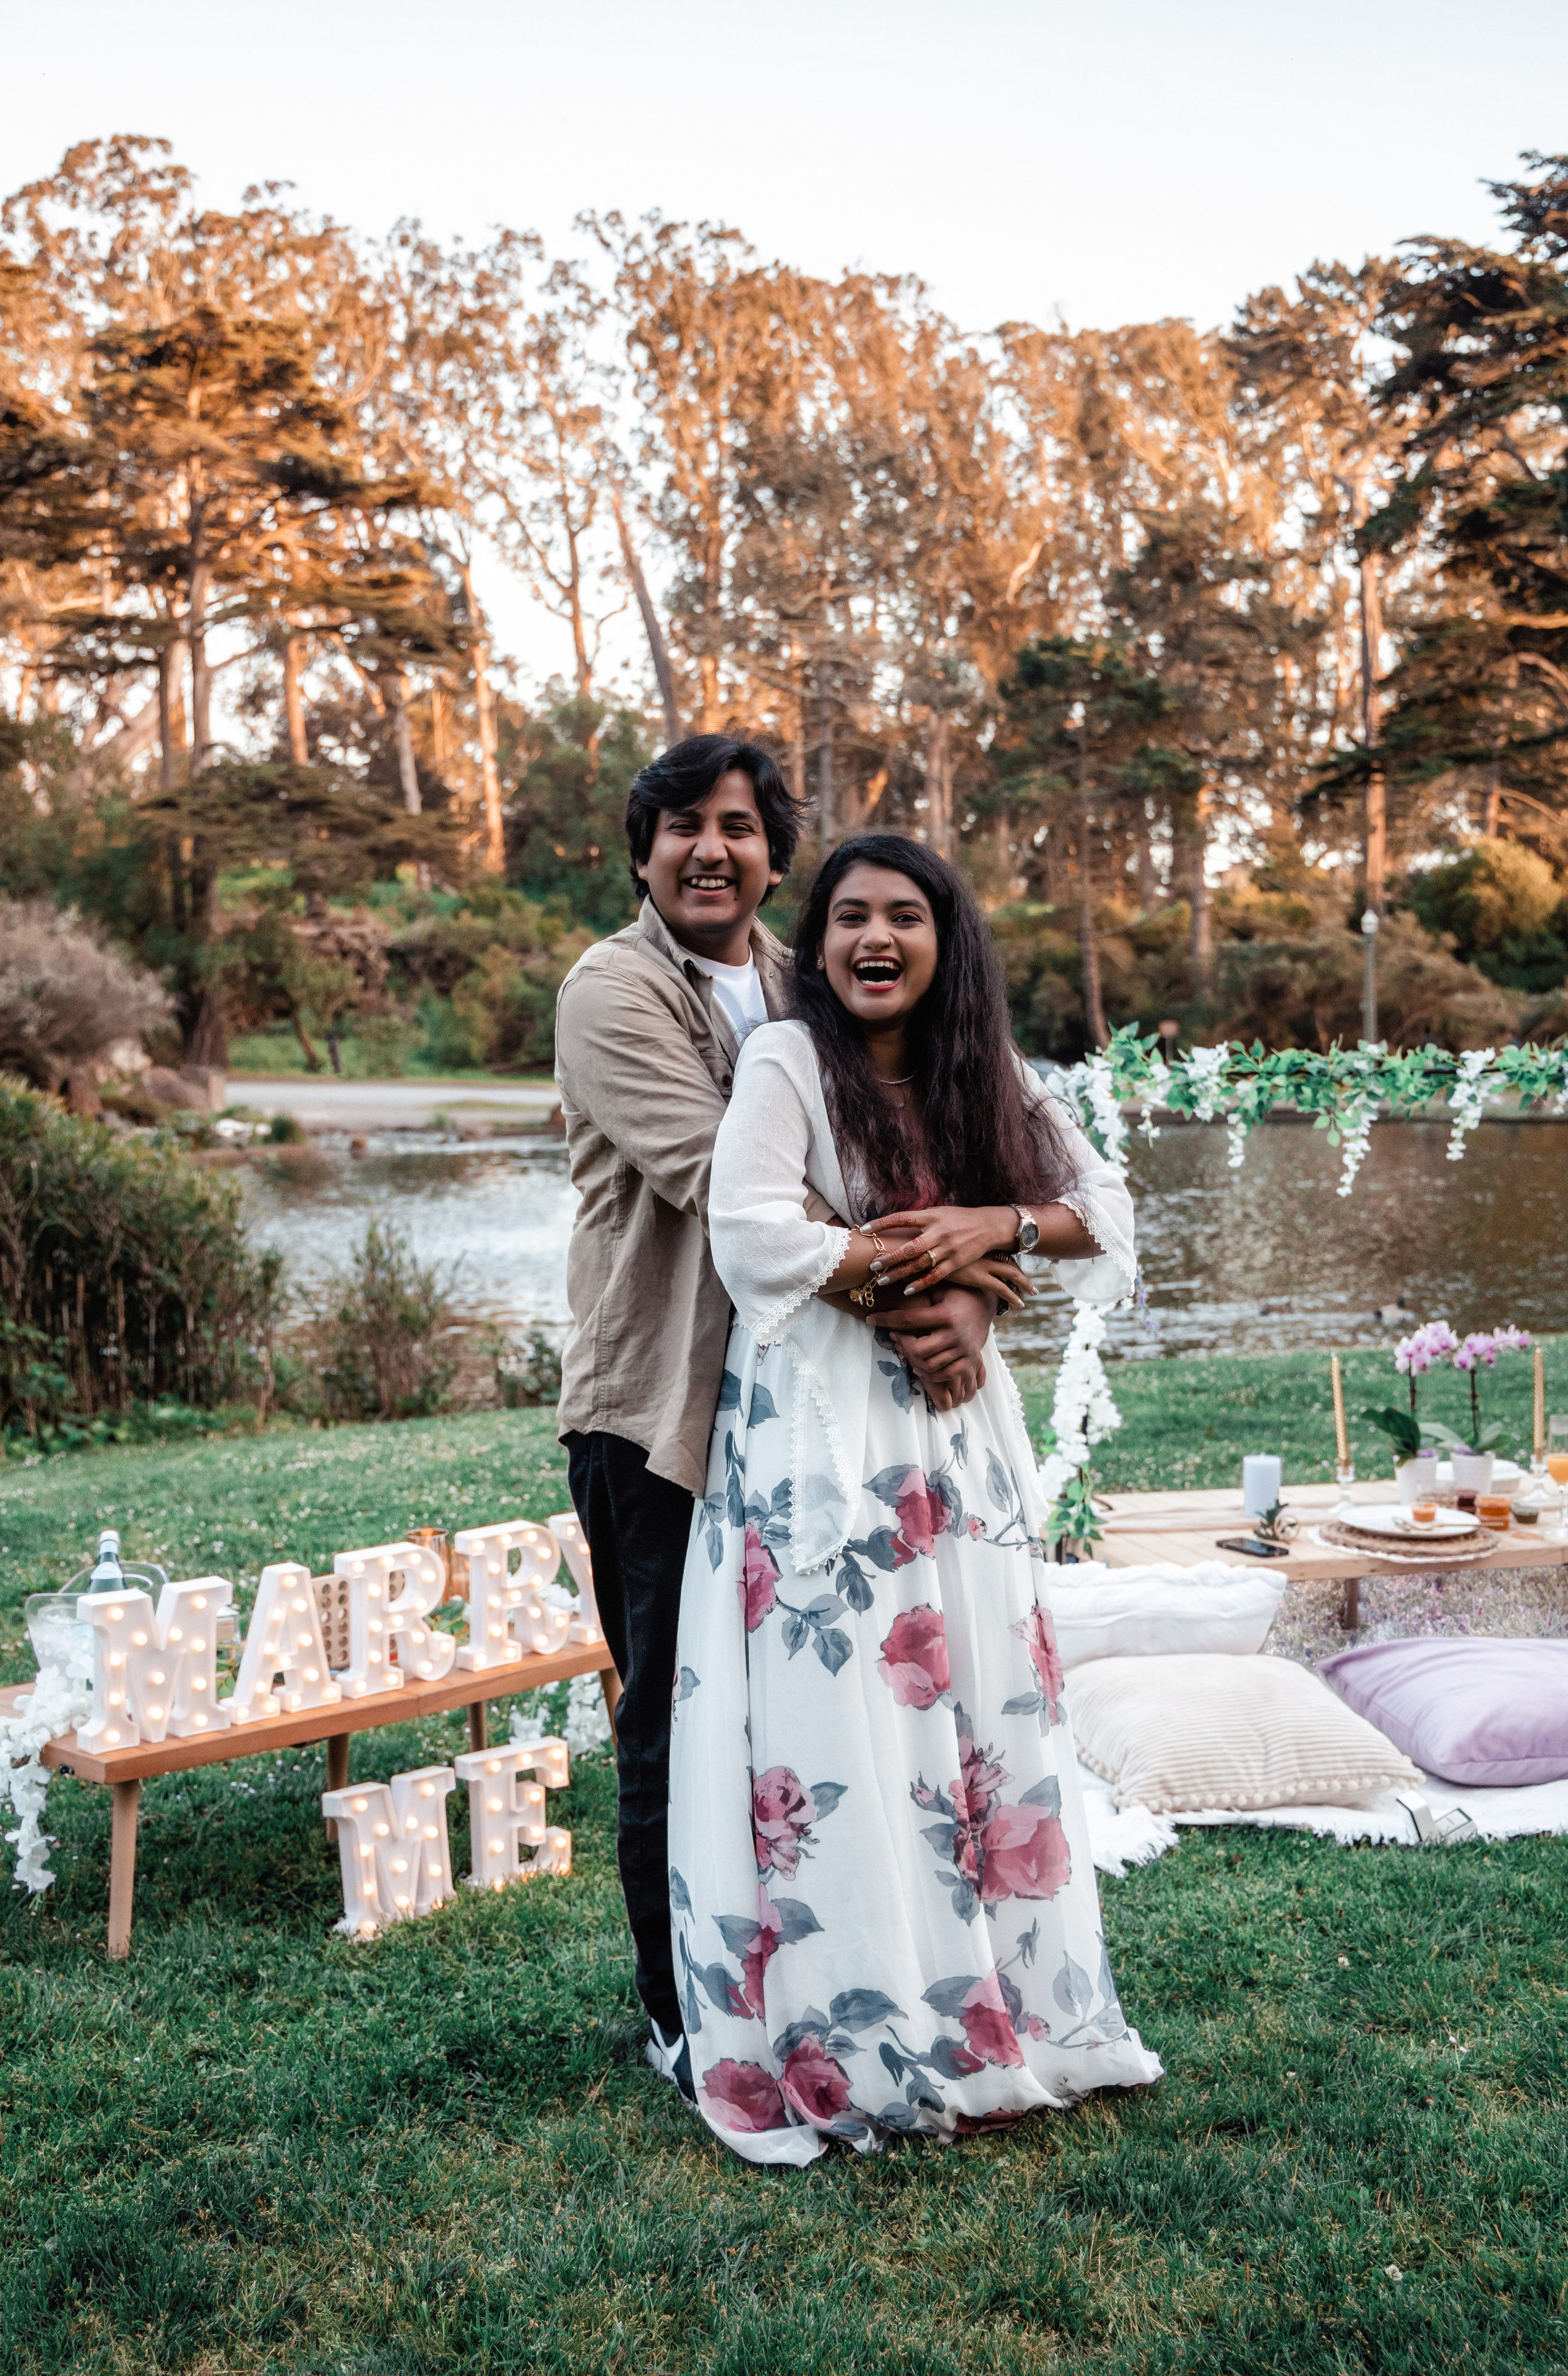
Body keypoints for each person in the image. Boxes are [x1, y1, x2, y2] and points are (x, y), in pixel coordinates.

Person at [666, 833, 1162, 2163]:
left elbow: (1104, 1212)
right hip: (820, 1436)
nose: (871, 939)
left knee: (977, 1700)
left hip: (955, 1439)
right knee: (840, 1722)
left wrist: (986, 1241)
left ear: (946, 941)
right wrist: (921, 1290)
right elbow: (752, 1232)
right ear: (816, 944)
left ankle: (1001, 2010)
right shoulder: (784, 1059)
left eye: (901, 917)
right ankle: (860, 2029)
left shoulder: (979, 1069)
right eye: (845, 919)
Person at [554, 749, 1010, 2098]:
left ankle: (805, 1989)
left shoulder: (805, 987)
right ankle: (682, 2015)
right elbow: (733, 1192)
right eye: (683, 827)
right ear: (639, 852)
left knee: (804, 1712)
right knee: (668, 1724)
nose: (711, 850)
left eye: (740, 829)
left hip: (810, 1414)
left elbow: (927, 1154)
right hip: (661, 1412)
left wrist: (979, 1286)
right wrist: (957, 1273)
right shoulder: (612, 990)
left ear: (772, 857)